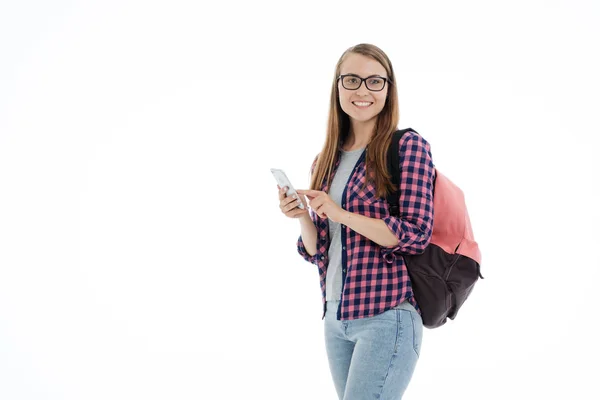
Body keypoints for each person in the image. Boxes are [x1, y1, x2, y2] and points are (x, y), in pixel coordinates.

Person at [277, 43, 435, 400]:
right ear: (337, 87)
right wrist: (304, 217)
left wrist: (342, 214)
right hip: (335, 316)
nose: (362, 90)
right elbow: (321, 252)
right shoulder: (325, 160)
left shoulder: (407, 146)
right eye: (352, 80)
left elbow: (416, 234)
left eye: (374, 81)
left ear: (388, 89)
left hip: (386, 314)